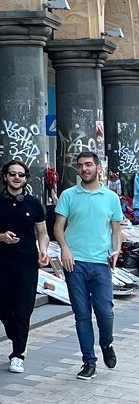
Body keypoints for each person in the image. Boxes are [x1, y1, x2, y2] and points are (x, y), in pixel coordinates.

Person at [54, 150, 124, 380]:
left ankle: (107, 343)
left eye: (88, 165)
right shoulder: (68, 195)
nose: (84, 169)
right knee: (81, 314)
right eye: (80, 165)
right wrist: (64, 247)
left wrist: (116, 249)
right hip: (74, 263)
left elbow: (116, 230)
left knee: (105, 312)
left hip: (101, 263)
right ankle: (88, 362)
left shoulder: (111, 198)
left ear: (97, 168)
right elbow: (58, 228)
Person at [0, 160, 49, 374]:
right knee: (1, 305)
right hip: (3, 262)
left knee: (23, 309)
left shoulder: (34, 204)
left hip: (28, 263)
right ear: (5, 177)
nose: (17, 178)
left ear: (26, 178)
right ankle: (18, 337)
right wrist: (1, 237)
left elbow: (43, 233)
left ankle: (18, 353)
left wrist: (44, 249)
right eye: (12, 174)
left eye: (21, 174)